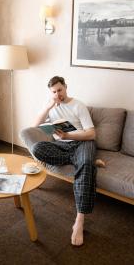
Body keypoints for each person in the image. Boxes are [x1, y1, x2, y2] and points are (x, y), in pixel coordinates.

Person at [31, 76, 96, 246]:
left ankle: (79, 220)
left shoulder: (78, 105)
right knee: (37, 148)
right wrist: (48, 107)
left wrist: (68, 135)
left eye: (60, 90)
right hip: (61, 145)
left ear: (66, 87)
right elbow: (34, 125)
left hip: (82, 143)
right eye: (54, 92)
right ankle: (85, 161)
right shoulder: (50, 106)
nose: (57, 94)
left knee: (85, 161)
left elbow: (91, 134)